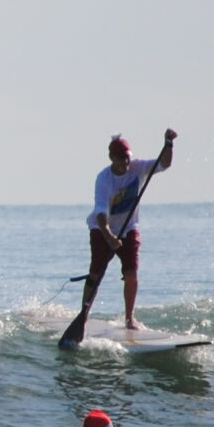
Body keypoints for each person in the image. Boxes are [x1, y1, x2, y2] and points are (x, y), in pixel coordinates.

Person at [75, 129, 176, 335]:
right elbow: (101, 212)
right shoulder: (104, 179)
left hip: (129, 228)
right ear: (111, 158)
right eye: (120, 159)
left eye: (127, 158)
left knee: (131, 274)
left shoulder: (138, 168)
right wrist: (109, 236)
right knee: (96, 273)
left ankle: (130, 319)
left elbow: (164, 164)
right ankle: (83, 315)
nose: (125, 163)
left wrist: (168, 143)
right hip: (102, 229)